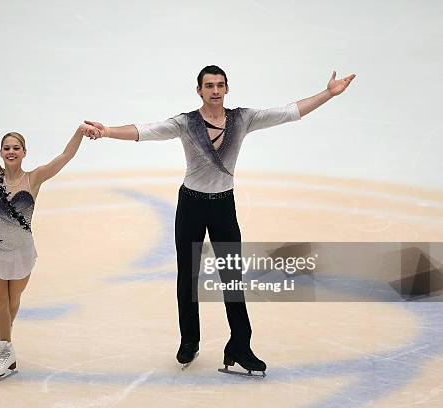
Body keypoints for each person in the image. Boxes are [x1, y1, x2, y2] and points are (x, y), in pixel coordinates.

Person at [85, 65, 356, 374]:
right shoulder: (186, 123)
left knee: (232, 277)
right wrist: (106, 131)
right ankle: (190, 341)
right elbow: (145, 131)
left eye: (220, 85)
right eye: (209, 85)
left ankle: (240, 344)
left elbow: (289, 112)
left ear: (227, 89)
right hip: (191, 205)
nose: (215, 90)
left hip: (223, 207)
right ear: (199, 90)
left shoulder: (242, 119)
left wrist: (328, 94)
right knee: (188, 275)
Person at [0, 75, 100, 381]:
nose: (9, 151)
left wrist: (78, 132)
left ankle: (3, 339)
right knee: (0, 300)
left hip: (21, 252)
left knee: (13, 301)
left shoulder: (35, 179)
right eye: (6, 147)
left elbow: (65, 156)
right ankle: (6, 351)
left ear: (24, 152)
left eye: (15, 147)